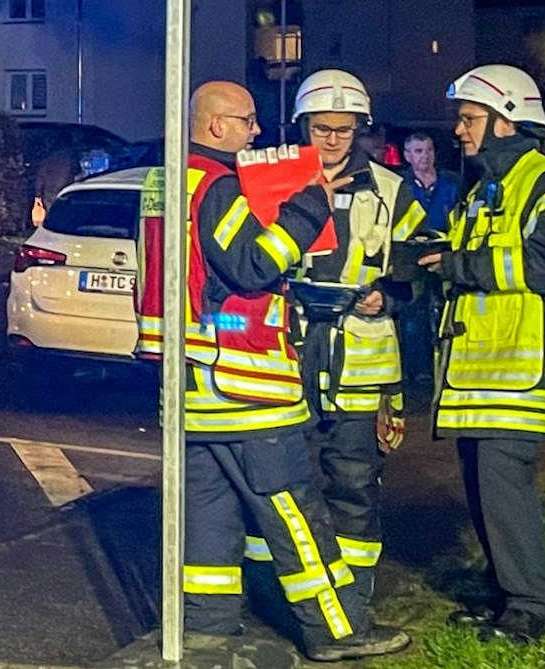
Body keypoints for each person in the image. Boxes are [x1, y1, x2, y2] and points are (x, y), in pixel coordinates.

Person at [138, 80, 407, 660]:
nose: (256, 132)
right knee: (295, 517)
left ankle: (207, 628)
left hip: (187, 388)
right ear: (215, 126)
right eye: (247, 121)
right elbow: (254, 266)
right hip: (244, 386)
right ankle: (337, 632)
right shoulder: (216, 186)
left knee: (207, 519)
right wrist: (308, 207)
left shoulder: (162, 181)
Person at [423, 64, 545, 645]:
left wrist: (459, 266)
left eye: (469, 119)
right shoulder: (484, 188)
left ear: (505, 121)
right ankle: (504, 595)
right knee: (483, 490)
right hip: (479, 373)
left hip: (519, 372)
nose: (460, 132)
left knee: (504, 491)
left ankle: (532, 607)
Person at [259, 70, 411, 622]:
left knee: (354, 484)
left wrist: (388, 298)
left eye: (344, 130)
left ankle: (353, 598)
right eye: (322, 128)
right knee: (282, 484)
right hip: (290, 355)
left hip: (361, 367)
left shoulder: (392, 191)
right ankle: (277, 593)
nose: (332, 139)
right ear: (302, 125)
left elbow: (418, 267)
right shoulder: (273, 183)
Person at [398, 131, 460, 381]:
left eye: (428, 150)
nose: (425, 157)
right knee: (413, 313)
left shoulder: (453, 182)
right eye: (418, 151)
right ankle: (418, 370)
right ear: (407, 156)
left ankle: (449, 365)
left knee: (448, 310)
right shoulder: (399, 185)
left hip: (445, 255)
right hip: (410, 258)